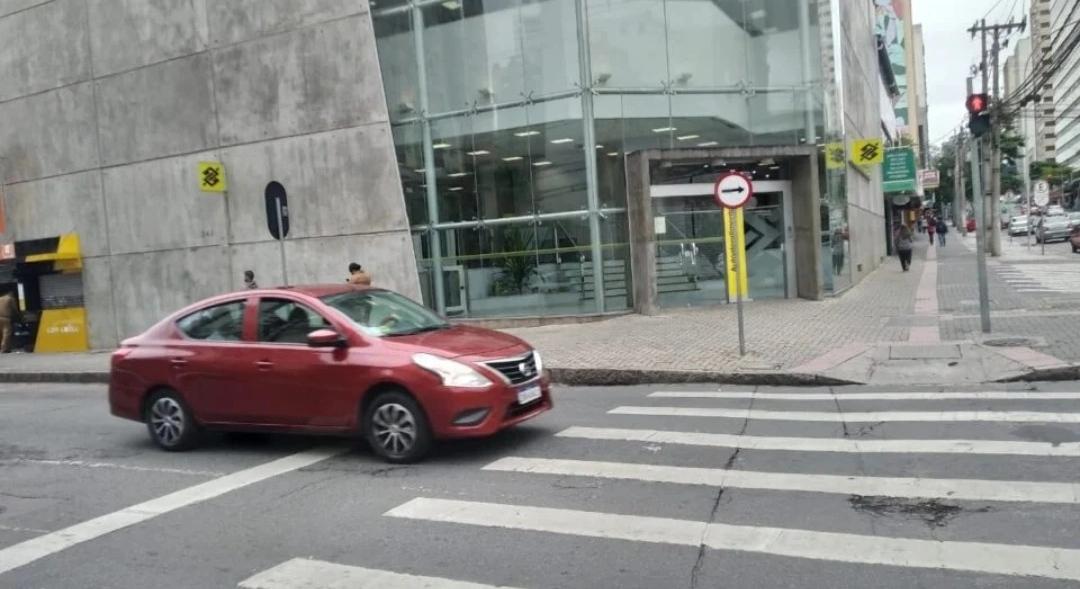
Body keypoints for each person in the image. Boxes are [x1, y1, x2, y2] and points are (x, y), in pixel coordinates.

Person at [0, 288, 19, 353]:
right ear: (11, 294)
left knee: (1, 333)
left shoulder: (0, 298)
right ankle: (4, 349)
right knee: (6, 333)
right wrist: (19, 314)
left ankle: (6, 348)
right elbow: (15, 309)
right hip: (6, 318)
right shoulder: (11, 299)